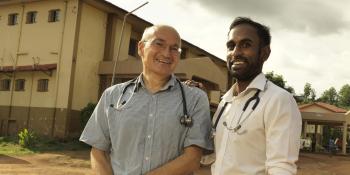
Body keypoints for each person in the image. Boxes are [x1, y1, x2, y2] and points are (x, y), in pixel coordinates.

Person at [80, 25, 213, 175]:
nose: (167, 53)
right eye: (159, 44)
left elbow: (193, 158)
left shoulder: (195, 99)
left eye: (174, 48)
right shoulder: (112, 96)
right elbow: (98, 152)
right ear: (141, 48)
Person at [210, 17, 302, 174]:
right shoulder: (225, 102)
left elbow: (281, 168)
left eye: (246, 45)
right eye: (231, 46)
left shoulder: (279, 100)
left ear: (264, 53)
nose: (236, 52)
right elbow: (211, 157)